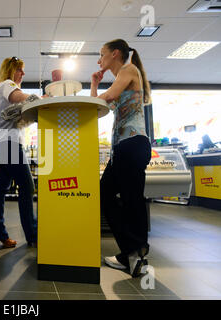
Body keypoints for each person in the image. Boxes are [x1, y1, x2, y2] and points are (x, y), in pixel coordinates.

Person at [90, 39, 152, 277]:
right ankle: (131, 250)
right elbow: (98, 108)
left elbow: (108, 97)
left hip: (133, 144)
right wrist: (95, 83)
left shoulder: (128, 70)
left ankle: (135, 253)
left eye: (101, 55)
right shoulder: (122, 77)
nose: (99, 60)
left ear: (115, 54)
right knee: (105, 194)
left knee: (131, 199)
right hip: (123, 149)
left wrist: (99, 89)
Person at [0, 56, 38, 248]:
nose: (23, 74)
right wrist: (39, 99)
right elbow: (18, 97)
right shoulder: (7, 85)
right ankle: (33, 235)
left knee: (0, 189)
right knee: (27, 186)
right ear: (11, 71)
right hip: (8, 143)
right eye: (20, 70)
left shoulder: (1, 89)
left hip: (3, 142)